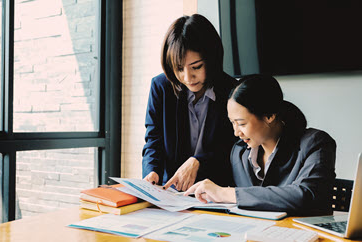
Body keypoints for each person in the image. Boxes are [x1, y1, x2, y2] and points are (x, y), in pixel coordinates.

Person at [184, 74, 336, 215]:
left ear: (269, 115)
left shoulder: (316, 143)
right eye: (232, 123)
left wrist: (226, 193)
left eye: (241, 123)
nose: (237, 132)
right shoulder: (240, 152)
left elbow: (305, 196)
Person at [142, 14, 237, 191]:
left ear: (211, 59)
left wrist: (199, 161)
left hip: (215, 192)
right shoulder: (161, 87)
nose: (188, 77)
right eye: (179, 68)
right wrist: (151, 171)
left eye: (196, 67)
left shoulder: (232, 91)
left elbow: (235, 146)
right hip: (171, 192)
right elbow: (153, 138)